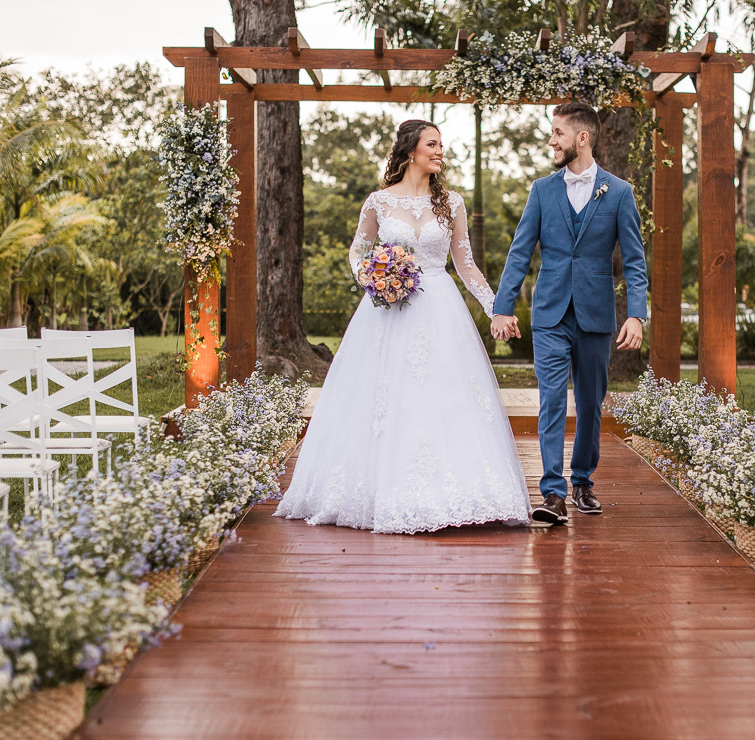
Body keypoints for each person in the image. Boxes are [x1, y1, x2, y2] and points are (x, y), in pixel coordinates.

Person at [276, 120, 531, 534]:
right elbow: (358, 251)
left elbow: (466, 266)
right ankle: (379, 491)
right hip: (387, 311)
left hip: (440, 306)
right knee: (385, 399)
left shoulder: (452, 203)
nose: (440, 151)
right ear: (411, 151)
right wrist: (373, 277)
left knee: (444, 395)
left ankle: (459, 493)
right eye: (432, 144)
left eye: (442, 145)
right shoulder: (377, 201)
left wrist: (496, 310)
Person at [491, 102, 648, 525]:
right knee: (552, 400)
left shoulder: (618, 193)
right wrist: (502, 308)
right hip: (550, 314)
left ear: (581, 137)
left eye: (557, 133)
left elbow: (634, 260)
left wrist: (637, 314)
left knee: (592, 403)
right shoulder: (542, 190)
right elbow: (520, 251)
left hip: (596, 315)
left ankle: (582, 481)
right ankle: (553, 492)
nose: (551, 140)